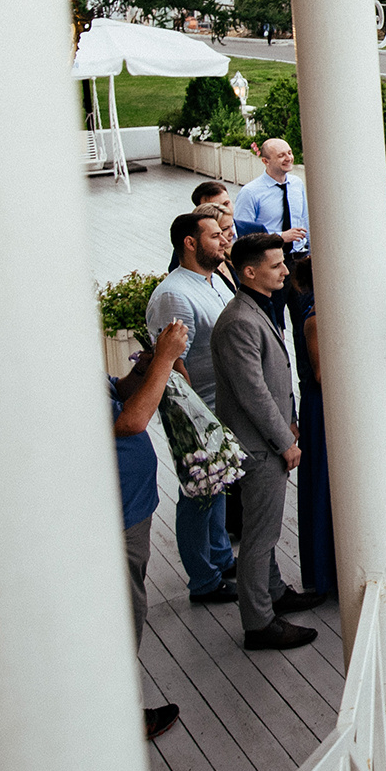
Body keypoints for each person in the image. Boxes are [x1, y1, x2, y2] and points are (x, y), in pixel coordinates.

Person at [211, 234, 330, 649]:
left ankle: (275, 592)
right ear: (249, 272)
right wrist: (284, 440)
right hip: (257, 445)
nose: (285, 270)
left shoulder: (256, 309)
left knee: (267, 530)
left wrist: (291, 420)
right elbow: (253, 393)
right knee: (259, 538)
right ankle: (259, 622)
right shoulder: (240, 321)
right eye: (277, 264)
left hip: (270, 436)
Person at [147, 210, 240, 607]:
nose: (224, 240)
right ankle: (203, 579)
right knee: (198, 493)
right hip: (198, 410)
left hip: (224, 401)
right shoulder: (174, 294)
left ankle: (220, 558)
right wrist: (196, 420)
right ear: (190, 242)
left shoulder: (214, 278)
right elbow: (174, 362)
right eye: (215, 235)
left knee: (216, 487)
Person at [112, 317, 190, 740]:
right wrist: (163, 359)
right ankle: (121, 716)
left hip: (132, 510)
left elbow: (118, 394)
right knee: (125, 613)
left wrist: (143, 369)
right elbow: (130, 421)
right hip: (116, 517)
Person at [284, 252, 335, 597]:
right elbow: (320, 374)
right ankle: (325, 572)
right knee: (323, 485)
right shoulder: (316, 319)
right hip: (321, 406)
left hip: (332, 403)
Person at [232, 139, 310, 247]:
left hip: (299, 254)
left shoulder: (297, 184)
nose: (288, 158)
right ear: (265, 161)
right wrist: (279, 236)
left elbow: (305, 219)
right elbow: (242, 233)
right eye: (281, 155)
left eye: (289, 153)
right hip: (268, 257)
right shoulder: (249, 192)